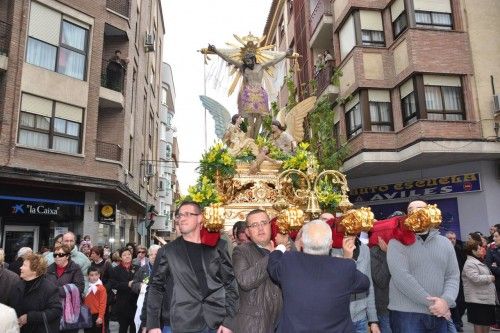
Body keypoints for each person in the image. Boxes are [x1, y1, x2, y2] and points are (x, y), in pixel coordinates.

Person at [146, 201, 238, 333]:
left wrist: (229, 321)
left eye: (187, 214)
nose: (181, 218)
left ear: (200, 218)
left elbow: (230, 283)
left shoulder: (218, 247)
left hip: (216, 322)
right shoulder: (168, 251)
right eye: (179, 215)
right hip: (183, 322)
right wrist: (153, 324)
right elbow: (155, 287)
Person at [268, 219, 370, 332]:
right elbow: (365, 283)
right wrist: (347, 260)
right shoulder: (344, 268)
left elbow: (272, 265)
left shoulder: (289, 261)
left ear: (301, 242)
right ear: (331, 244)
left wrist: (281, 247)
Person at [387, 200, 460, 333]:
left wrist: (446, 301)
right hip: (406, 314)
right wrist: (436, 304)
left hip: (439, 313)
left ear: (430, 212)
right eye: (410, 210)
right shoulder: (396, 242)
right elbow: (401, 277)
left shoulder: (445, 243)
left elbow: (452, 276)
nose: (415, 212)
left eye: (420, 208)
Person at [208, 43, 292, 138]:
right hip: (248, 94)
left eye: (249, 60)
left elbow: (274, 61)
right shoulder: (243, 67)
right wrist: (216, 51)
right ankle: (252, 138)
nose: (248, 63)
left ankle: (254, 136)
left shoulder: (261, 66)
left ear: (253, 59)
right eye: (246, 61)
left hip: (260, 93)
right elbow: (229, 59)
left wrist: (285, 54)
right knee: (250, 117)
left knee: (261, 117)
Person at [232, 209, 285, 333]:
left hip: (281, 323)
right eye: (254, 225)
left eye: (264, 223)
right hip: (254, 325)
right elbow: (246, 281)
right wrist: (276, 253)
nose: (260, 228)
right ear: (248, 232)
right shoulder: (241, 251)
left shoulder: (285, 250)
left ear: (270, 226)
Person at [331, 232, 379, 333]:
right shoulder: (332, 249)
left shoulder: (365, 249)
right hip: (339, 320)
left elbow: (369, 285)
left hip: (361, 318)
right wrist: (346, 259)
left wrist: (373, 320)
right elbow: (333, 285)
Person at [12, 253, 62, 333]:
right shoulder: (18, 285)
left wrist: (30, 317)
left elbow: (56, 310)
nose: (20, 267)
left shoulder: (49, 288)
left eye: (24, 265)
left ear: (35, 270)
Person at [45, 244, 85, 333]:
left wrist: (57, 291)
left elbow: (79, 288)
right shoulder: (48, 269)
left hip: (70, 311)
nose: (57, 257)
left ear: (67, 256)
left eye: (61, 254)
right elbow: (44, 287)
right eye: (55, 255)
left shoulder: (75, 268)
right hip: (53, 310)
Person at [462, 238, 496, 332]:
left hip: (485, 299)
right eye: (479, 248)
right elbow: (475, 279)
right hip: (477, 301)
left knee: (486, 323)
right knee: (479, 324)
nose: (482, 249)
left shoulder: (478, 261)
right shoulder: (470, 263)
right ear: (473, 251)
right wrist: (490, 278)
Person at [109, 247, 139, 333]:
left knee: (135, 328)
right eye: (124, 255)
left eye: (129, 254)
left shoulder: (138, 268)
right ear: (121, 257)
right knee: (123, 328)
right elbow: (114, 284)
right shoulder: (115, 270)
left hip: (135, 303)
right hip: (122, 303)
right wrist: (127, 284)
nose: (127, 256)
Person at [131, 244, 160, 332]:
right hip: (145, 304)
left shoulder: (165, 269)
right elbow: (134, 284)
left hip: (159, 306)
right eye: (151, 254)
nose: (153, 257)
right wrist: (140, 286)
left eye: (156, 255)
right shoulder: (142, 269)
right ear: (148, 255)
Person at [446, 231, 467, 332]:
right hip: (448, 281)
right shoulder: (443, 250)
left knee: (462, 302)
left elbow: (464, 264)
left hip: (460, 280)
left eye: (454, 238)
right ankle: (457, 323)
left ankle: (458, 321)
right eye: (450, 238)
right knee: (452, 302)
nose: (452, 240)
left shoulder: (459, 250)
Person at [371, 236, 392, 333]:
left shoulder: (400, 249)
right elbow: (381, 280)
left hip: (400, 308)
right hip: (384, 309)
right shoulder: (374, 252)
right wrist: (389, 254)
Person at [485, 229, 500, 331]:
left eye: (496, 236)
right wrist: (496, 267)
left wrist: (496, 266)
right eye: (493, 236)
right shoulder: (492, 250)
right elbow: (489, 265)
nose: (493, 239)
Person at [84, 267, 107, 333]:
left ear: (99, 275)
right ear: (88, 276)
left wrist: (100, 317)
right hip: (87, 315)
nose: (94, 277)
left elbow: (103, 303)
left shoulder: (101, 288)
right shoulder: (86, 287)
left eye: (96, 275)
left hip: (97, 315)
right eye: (91, 275)